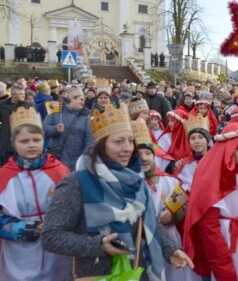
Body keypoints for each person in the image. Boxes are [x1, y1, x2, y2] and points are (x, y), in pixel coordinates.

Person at [40, 103, 193, 280]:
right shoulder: (76, 183)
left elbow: (148, 222)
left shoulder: (135, 182)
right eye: (119, 141)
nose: (128, 148)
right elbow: (51, 236)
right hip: (92, 274)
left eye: (130, 140)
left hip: (133, 272)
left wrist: (171, 250)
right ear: (101, 145)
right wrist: (99, 245)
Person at [183, 123, 238, 280]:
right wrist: (223, 266)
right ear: (229, 148)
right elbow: (209, 225)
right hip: (227, 240)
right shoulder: (211, 175)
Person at [0, 106, 70, 280]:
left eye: (36, 139)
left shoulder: (60, 171)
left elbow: (72, 207)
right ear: (13, 143)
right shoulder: (4, 176)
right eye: (24, 141)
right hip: (19, 254)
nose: (31, 145)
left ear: (43, 140)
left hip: (55, 252)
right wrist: (22, 229)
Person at [132, 117, 184, 281]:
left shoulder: (171, 181)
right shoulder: (130, 183)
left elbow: (183, 207)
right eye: (139, 154)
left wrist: (173, 214)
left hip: (168, 236)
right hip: (139, 239)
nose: (144, 158)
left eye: (148, 153)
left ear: (155, 156)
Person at [43, 86, 94, 171]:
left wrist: (85, 158)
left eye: (84, 100)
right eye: (81, 99)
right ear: (72, 98)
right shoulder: (55, 109)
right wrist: (55, 129)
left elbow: (89, 140)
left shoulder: (86, 116)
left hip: (76, 163)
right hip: (56, 160)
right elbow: (44, 128)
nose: (83, 102)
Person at [0, 84, 30, 165]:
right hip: (6, 139)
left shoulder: (28, 105)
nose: (23, 96)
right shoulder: (2, 104)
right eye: (20, 94)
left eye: (23, 94)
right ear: (13, 95)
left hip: (23, 138)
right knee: (7, 165)